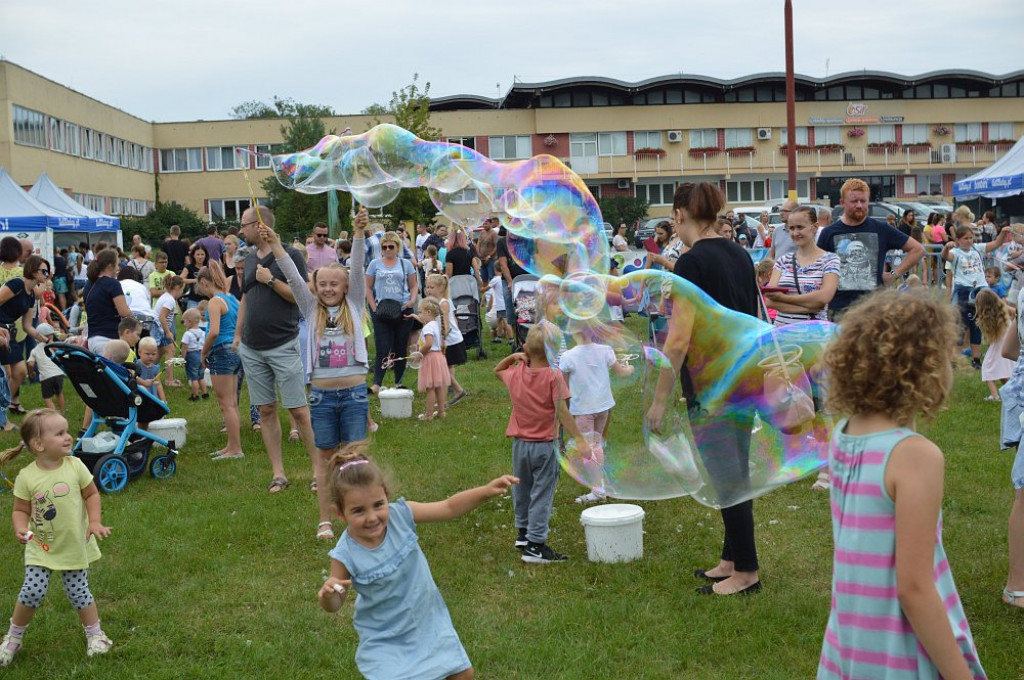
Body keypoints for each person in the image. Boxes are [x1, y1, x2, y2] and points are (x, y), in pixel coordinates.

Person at [818, 290, 986, 679]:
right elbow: (913, 587)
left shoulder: (845, 433)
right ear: (922, 368)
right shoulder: (915, 456)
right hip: (901, 652)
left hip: (853, 641)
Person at [646, 181, 762, 596]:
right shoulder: (740, 254)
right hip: (743, 376)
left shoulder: (691, 264)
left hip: (711, 384)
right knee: (736, 471)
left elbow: (677, 341)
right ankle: (731, 559)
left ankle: (747, 572)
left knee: (728, 477)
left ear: (679, 215)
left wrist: (659, 401)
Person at [318, 444, 517, 680]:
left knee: (463, 674)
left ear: (386, 496)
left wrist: (485, 491)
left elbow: (449, 507)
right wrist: (329, 594)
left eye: (378, 505)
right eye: (359, 511)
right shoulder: (346, 553)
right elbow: (335, 603)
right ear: (340, 514)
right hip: (385, 637)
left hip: (425, 619)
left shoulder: (402, 515)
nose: (372, 517)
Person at [263, 208, 369, 538]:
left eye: (334, 283)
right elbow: (293, 277)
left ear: (345, 286)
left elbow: (359, 266)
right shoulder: (310, 309)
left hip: (353, 394)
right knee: (324, 459)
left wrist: (359, 232)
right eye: (321, 284)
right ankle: (325, 519)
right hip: (322, 397)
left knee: (354, 461)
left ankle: (358, 517)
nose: (327, 288)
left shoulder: (355, 304)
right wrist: (277, 245)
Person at [0, 409, 113, 666]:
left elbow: (92, 494)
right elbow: (20, 510)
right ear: (38, 444)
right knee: (31, 591)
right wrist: (19, 528)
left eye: (67, 431)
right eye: (60, 433)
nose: (68, 437)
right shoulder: (27, 476)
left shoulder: (76, 466)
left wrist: (94, 521)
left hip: (73, 544)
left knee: (78, 592)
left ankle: (95, 635)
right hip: (40, 546)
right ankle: (13, 639)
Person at [235, 205, 319, 496]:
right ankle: (278, 474)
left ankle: (319, 471)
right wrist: (238, 334)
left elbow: (301, 296)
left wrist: (269, 280)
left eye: (243, 225)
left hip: (283, 343)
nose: (240, 230)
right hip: (251, 347)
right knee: (266, 409)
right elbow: (245, 298)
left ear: (259, 226)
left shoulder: (290, 255)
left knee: (299, 410)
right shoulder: (247, 260)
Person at [495, 324, 590, 564]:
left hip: (520, 446)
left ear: (525, 348)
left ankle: (523, 533)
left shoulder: (516, 372)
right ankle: (536, 546)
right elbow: (563, 412)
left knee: (522, 488)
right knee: (542, 494)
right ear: (554, 353)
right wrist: (579, 439)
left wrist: (514, 357)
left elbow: (497, 371)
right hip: (545, 447)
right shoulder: (553, 376)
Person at [817, 179, 925, 317]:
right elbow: (818, 267)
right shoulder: (829, 233)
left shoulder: (881, 228)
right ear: (842, 202)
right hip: (840, 310)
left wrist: (893, 275)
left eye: (863, 201)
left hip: (875, 310)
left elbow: (918, 249)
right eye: (854, 201)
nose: (859, 205)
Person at [559, 320, 634, 504]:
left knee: (587, 448)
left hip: (583, 409)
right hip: (603, 407)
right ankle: (600, 478)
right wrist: (629, 367)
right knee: (596, 443)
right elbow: (622, 373)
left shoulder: (568, 356)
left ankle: (598, 490)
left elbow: (562, 388)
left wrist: (563, 409)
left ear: (574, 333)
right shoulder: (606, 350)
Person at [941, 225, 1010, 369]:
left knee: (976, 326)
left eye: (971, 237)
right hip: (962, 292)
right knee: (959, 326)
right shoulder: (955, 251)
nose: (969, 240)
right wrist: (947, 247)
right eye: (965, 238)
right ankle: (953, 360)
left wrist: (1003, 233)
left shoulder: (978, 248)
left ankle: (976, 360)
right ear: (958, 240)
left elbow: (996, 243)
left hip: (979, 290)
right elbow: (946, 256)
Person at [194, 262, 243, 459]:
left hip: (221, 351)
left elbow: (213, 331)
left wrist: (203, 353)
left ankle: (235, 449)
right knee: (232, 402)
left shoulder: (214, 302)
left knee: (226, 404)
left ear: (205, 283)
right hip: (235, 350)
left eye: (199, 286)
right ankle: (232, 445)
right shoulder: (231, 298)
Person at [764, 205, 840, 325]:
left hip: (814, 335)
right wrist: (808, 308)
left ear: (815, 227)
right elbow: (769, 301)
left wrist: (783, 298)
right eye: (791, 228)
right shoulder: (783, 261)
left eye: (800, 227)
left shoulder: (830, 260)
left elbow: (824, 297)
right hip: (783, 334)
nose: (795, 233)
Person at [366, 231, 418, 393]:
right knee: (382, 346)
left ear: (397, 247)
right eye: (384, 247)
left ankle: (398, 381)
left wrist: (411, 301)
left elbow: (413, 285)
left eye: (391, 246)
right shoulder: (375, 264)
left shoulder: (405, 264)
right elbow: (367, 287)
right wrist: (373, 308)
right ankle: (376, 383)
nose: (388, 249)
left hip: (402, 309)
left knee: (400, 346)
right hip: (382, 310)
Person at [0, 256, 50, 417]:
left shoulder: (30, 296)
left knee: (20, 372)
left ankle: (4, 408)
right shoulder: (17, 284)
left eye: (48, 272)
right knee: (9, 373)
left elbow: (27, 326)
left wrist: (42, 337)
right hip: (1, 330)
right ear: (33, 270)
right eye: (44, 271)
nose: (46, 275)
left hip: (9, 332)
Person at [423, 274, 468, 407]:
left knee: (442, 369)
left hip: (450, 341)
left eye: (431, 287)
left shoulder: (443, 303)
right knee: (444, 368)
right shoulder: (434, 302)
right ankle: (453, 392)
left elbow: (446, 325)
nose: (428, 290)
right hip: (446, 340)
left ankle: (457, 391)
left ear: (441, 288)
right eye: (427, 287)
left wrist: (441, 340)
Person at [82, 250, 131, 356]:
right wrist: (130, 312)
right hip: (109, 338)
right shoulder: (113, 284)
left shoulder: (89, 284)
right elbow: (123, 312)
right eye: (117, 265)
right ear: (110, 266)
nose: (118, 268)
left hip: (92, 339)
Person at [410, 297, 449, 420]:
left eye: (420, 312)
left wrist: (418, 354)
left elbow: (428, 344)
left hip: (430, 358)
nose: (419, 315)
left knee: (430, 388)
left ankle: (429, 414)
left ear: (428, 313)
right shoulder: (435, 324)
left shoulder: (428, 328)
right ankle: (442, 412)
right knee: (438, 387)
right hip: (438, 357)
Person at [973, 288, 1014, 402]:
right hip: (1008, 342)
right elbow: (1017, 312)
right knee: (1002, 370)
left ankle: (994, 395)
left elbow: (989, 339)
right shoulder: (1003, 308)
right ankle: (1011, 390)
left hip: (998, 345)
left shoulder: (986, 318)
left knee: (987, 368)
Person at [152, 275, 184, 388]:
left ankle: (147, 374)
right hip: (159, 328)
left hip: (157, 328)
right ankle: (169, 381)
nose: (182, 292)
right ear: (177, 288)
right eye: (182, 289)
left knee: (160, 352)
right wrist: (168, 332)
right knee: (171, 350)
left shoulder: (167, 297)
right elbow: (162, 317)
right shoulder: (169, 300)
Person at [26, 324, 64, 412]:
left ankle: (54, 416)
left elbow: (31, 364)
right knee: (59, 394)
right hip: (59, 374)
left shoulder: (34, 350)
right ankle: (62, 414)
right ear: (50, 336)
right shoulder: (53, 346)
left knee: (47, 398)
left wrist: (31, 373)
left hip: (46, 377)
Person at [180, 244, 210, 311]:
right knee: (192, 318)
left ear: (205, 255)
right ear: (193, 255)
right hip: (193, 299)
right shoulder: (189, 267)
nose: (200, 257)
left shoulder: (209, 267)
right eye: (198, 254)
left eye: (202, 254)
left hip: (207, 299)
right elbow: (180, 279)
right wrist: (195, 280)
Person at [135, 337, 165, 402]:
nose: (151, 356)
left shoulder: (155, 368)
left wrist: (163, 400)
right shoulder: (136, 365)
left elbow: (158, 384)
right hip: (139, 398)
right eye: (147, 354)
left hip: (153, 398)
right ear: (139, 352)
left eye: (153, 354)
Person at [476, 217, 499, 282]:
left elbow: (496, 246)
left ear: (491, 224)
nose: (484, 225)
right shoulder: (482, 232)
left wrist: (489, 256)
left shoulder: (493, 233)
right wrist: (478, 254)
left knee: (492, 277)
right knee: (483, 277)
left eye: (486, 223)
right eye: (483, 224)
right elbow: (478, 243)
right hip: (482, 259)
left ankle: (492, 292)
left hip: (491, 259)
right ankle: (485, 291)